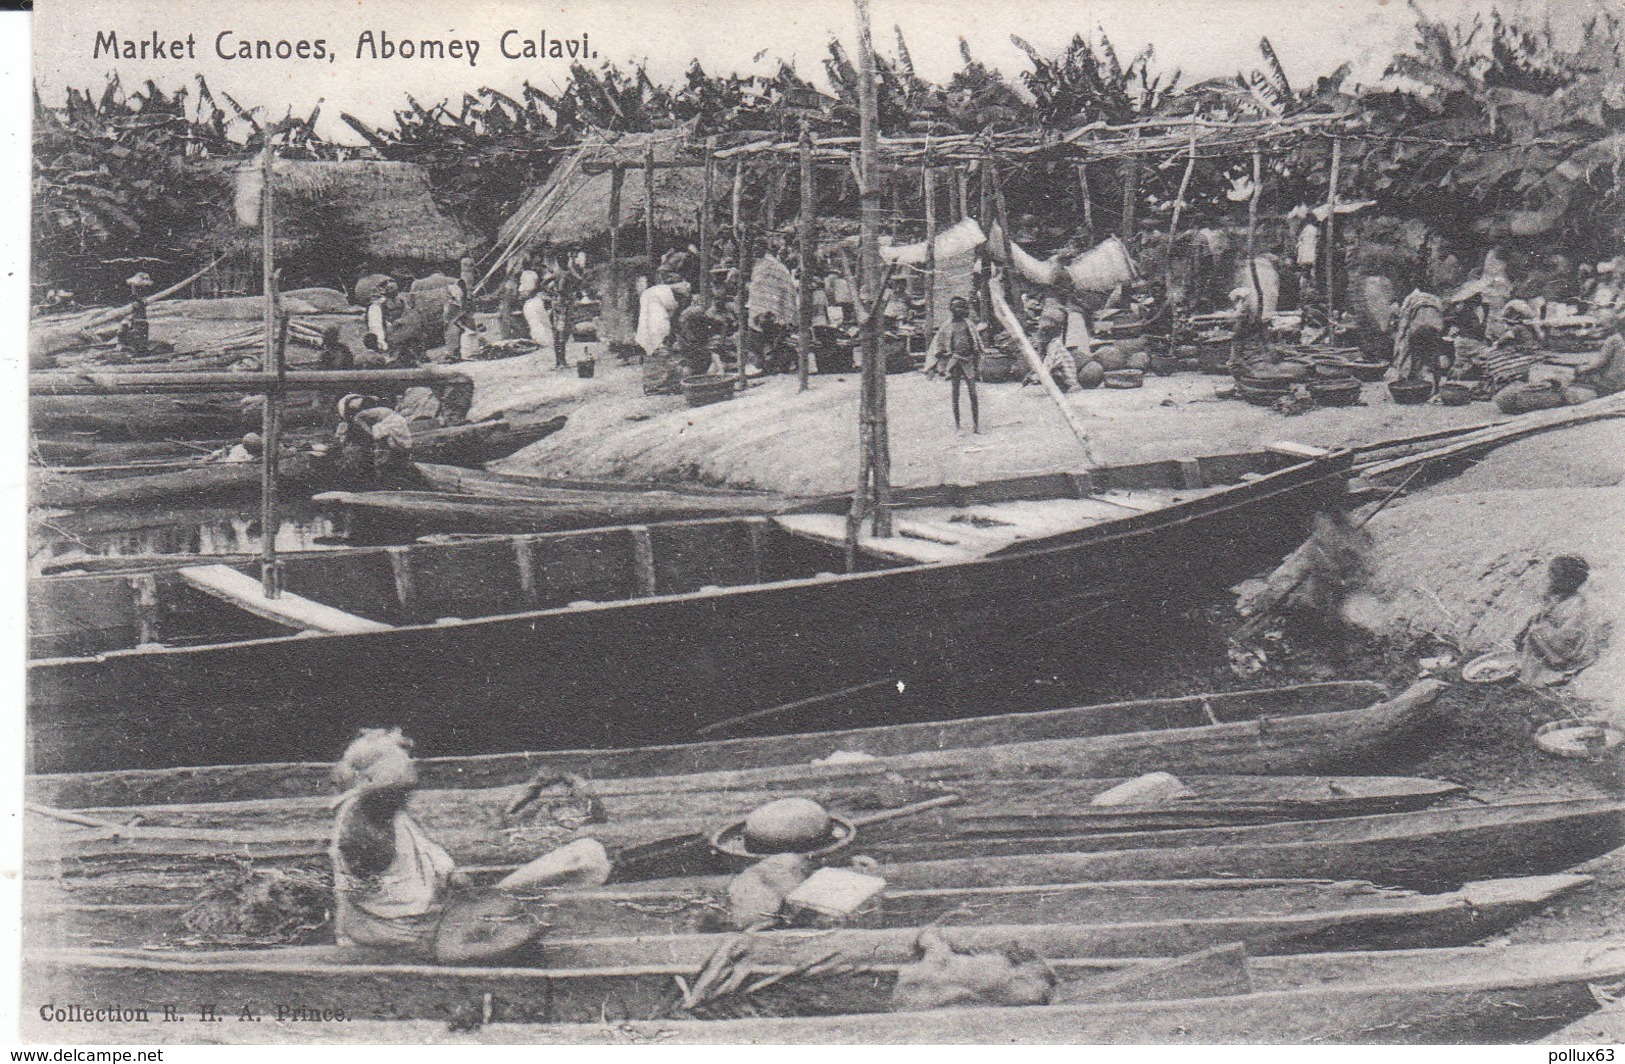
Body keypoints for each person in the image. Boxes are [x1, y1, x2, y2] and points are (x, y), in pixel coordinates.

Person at [331, 728, 453, 953]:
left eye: (406, 792)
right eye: (397, 792)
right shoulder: (362, 827)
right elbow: (355, 891)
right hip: (388, 929)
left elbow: (424, 853)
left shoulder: (392, 814)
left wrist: (447, 873)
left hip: (408, 921)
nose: (403, 799)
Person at [1515, 555, 1610, 688]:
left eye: (1554, 574)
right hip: (1558, 640)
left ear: (1567, 580)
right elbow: (1546, 615)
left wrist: (1542, 629)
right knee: (1535, 629)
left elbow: (1569, 633)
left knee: (1536, 632)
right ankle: (1530, 672)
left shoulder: (1576, 604)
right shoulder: (1558, 597)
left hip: (1567, 647)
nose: (1549, 577)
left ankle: (1551, 668)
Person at [925, 296, 984, 433]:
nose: (961, 310)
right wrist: (936, 363)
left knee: (973, 394)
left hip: (968, 360)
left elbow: (976, 343)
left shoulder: (969, 325)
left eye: (964, 307)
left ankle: (976, 426)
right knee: (955, 393)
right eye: (958, 307)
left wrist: (978, 358)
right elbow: (937, 346)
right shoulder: (947, 326)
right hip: (955, 362)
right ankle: (958, 426)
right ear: (951, 309)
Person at [334, 393, 414, 483]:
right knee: (393, 448)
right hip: (395, 422)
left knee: (385, 450)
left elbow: (362, 424)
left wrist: (371, 433)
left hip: (391, 423)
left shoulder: (360, 415)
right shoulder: (375, 408)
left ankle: (383, 474)